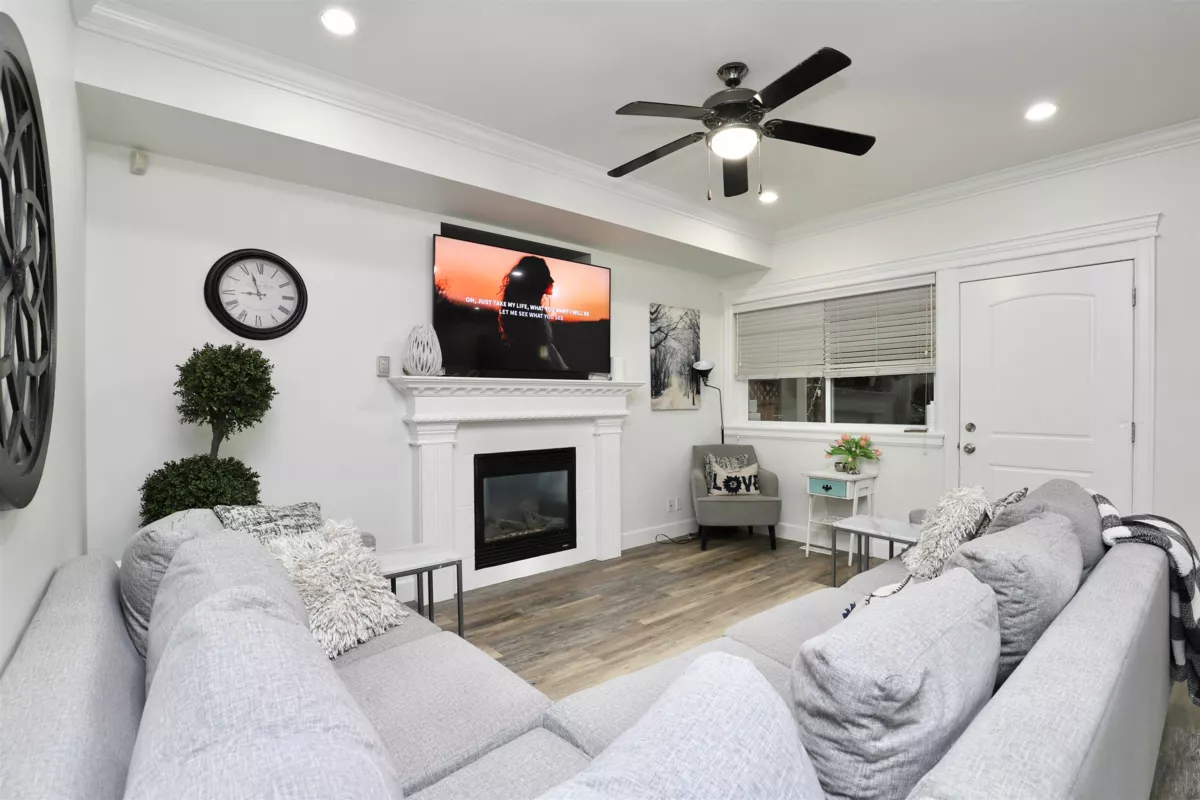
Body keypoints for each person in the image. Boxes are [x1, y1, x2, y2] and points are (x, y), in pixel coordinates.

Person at [497, 256, 568, 370]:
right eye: (547, 276)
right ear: (537, 279)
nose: (552, 280)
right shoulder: (525, 314)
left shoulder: (537, 310)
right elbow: (536, 354)